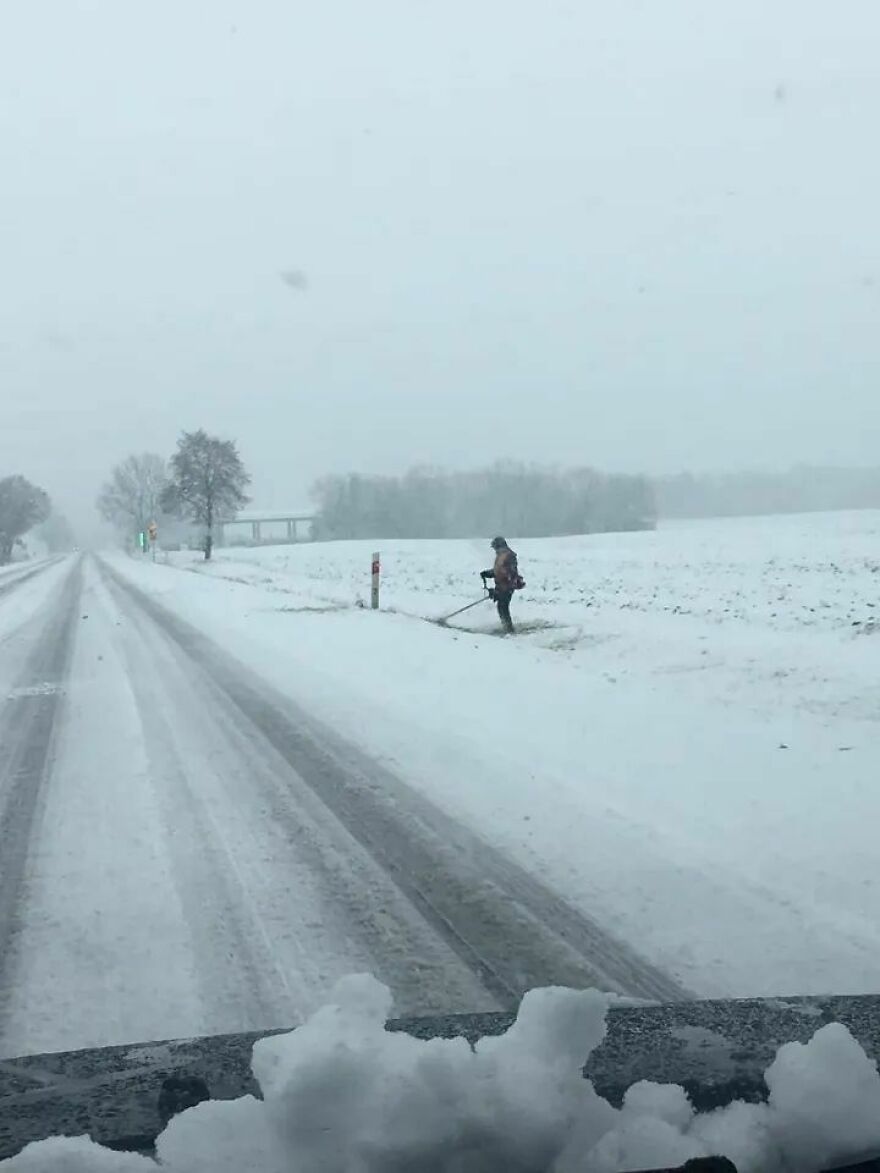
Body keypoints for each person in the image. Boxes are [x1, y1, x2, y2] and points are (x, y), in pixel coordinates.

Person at [481, 536, 519, 634]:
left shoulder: (509, 556)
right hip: (502, 585)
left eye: (495, 547)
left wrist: (502, 589)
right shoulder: (501, 556)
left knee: (503, 607)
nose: (494, 550)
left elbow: (509, 573)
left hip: (507, 586)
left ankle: (509, 630)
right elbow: (498, 571)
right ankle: (507, 628)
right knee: (502, 607)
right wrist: (488, 573)